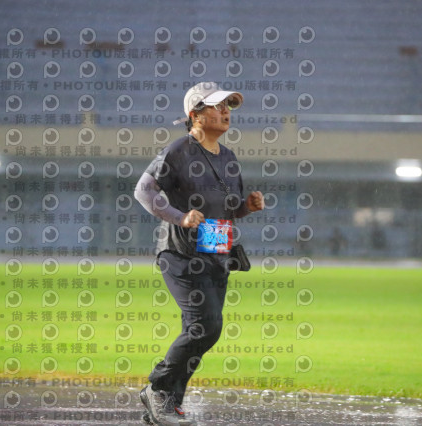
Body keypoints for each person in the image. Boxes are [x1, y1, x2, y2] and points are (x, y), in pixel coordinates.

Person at [134, 82, 264, 425]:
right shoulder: (179, 150)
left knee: (201, 329)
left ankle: (169, 405)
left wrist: (247, 207)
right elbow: (143, 190)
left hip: (216, 253)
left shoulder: (228, 157)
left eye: (228, 106)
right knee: (206, 325)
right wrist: (180, 217)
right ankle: (158, 388)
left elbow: (226, 209)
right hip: (180, 254)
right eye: (217, 106)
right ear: (195, 115)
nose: (225, 112)